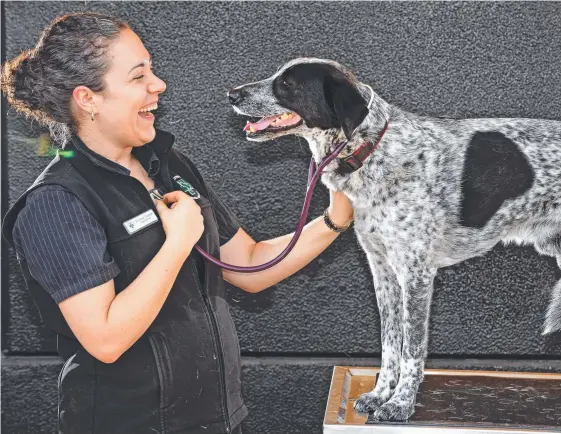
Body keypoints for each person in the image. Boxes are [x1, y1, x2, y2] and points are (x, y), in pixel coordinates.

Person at [0, 12, 354, 434]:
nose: (158, 84)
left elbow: (252, 265)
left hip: (219, 421)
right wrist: (178, 241)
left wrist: (336, 217)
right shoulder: (55, 204)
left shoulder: (168, 164)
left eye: (152, 69)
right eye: (138, 76)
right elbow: (106, 339)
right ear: (88, 98)